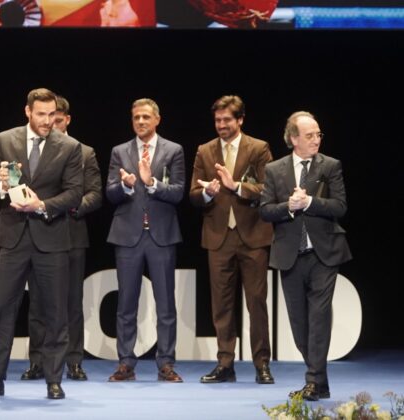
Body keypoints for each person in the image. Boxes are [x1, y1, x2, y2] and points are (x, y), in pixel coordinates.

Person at [0, 88, 83, 400]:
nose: (47, 121)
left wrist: (42, 205)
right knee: (2, 307)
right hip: (13, 238)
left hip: (51, 239)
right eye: (41, 114)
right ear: (28, 112)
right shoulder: (5, 140)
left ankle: (53, 379)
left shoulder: (69, 147)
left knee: (55, 312)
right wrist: (2, 185)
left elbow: (74, 193)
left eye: (51, 114)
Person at [260, 111, 351, 401]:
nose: (316, 140)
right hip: (290, 255)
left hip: (324, 254)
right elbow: (265, 210)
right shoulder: (274, 169)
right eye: (309, 135)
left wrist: (309, 201)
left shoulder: (330, 166)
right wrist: (289, 205)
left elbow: (340, 207)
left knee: (319, 318)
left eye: (318, 134)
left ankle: (312, 381)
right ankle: (320, 383)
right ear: (293, 139)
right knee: (300, 325)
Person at [188, 95, 274, 385]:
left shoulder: (259, 148)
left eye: (227, 120)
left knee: (256, 303)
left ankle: (262, 364)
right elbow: (193, 194)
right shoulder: (204, 150)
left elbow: (269, 189)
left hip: (253, 236)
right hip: (218, 237)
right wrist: (207, 193)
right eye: (217, 120)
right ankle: (225, 364)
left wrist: (236, 186)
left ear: (240, 120)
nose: (221, 125)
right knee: (221, 305)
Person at [21, 95, 102, 382]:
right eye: (45, 118)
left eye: (55, 119)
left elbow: (94, 194)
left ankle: (73, 361)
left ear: (66, 119)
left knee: (71, 302)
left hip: (71, 234)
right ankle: (37, 361)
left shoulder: (84, 152)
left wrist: (69, 206)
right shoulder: (33, 149)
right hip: (38, 234)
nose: (49, 124)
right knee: (38, 302)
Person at [105, 98, 185, 383]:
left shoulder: (173, 150)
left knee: (166, 305)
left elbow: (178, 192)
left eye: (146, 117)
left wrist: (151, 183)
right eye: (136, 117)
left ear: (157, 120)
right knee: (126, 305)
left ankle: (166, 364)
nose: (140, 121)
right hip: (128, 235)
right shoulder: (119, 151)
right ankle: (125, 363)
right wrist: (125, 186)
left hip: (161, 236)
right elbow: (110, 192)